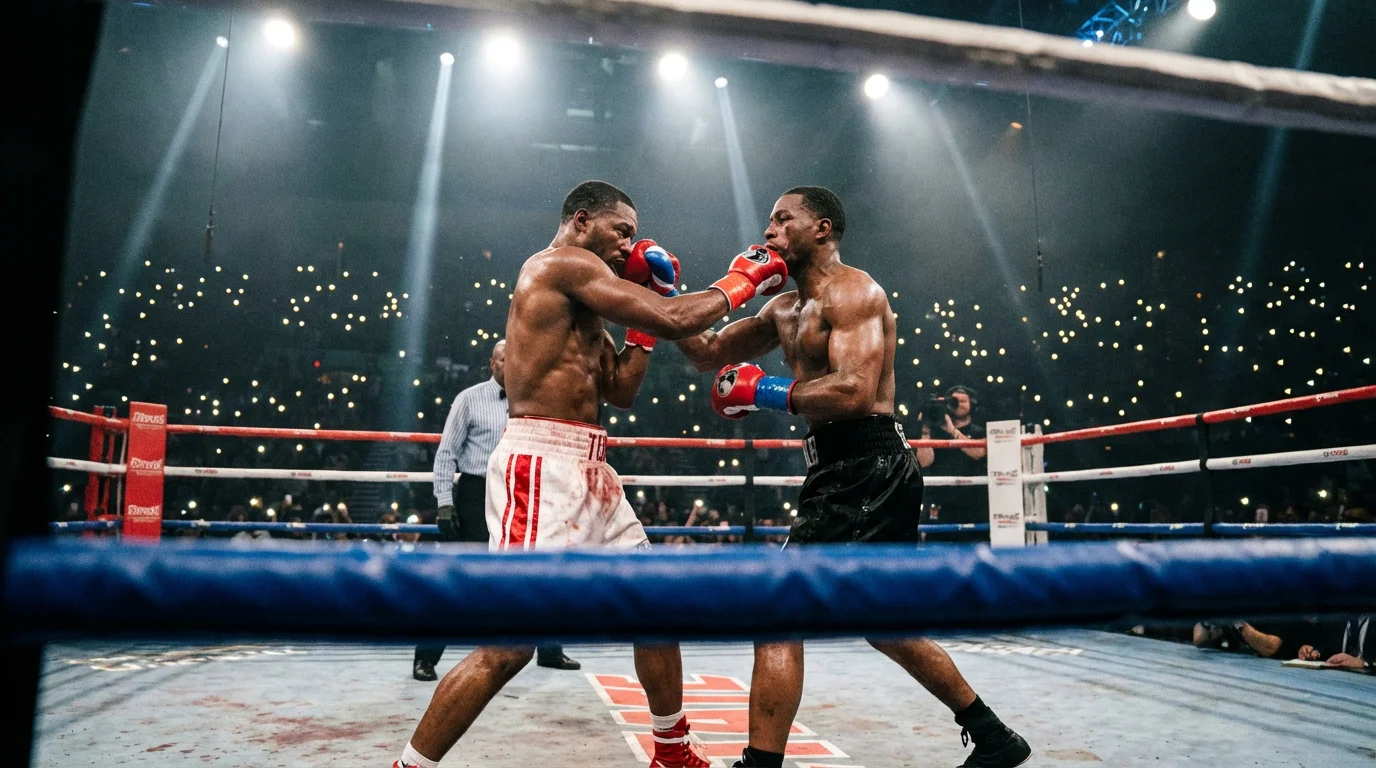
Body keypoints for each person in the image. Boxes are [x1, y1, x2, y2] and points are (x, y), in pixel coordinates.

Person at [393, 179, 788, 768]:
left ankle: (673, 752)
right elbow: (677, 318)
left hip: (590, 465)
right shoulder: (560, 266)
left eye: (632, 234)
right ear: (582, 221)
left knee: (653, 607)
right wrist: (743, 280)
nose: (630, 244)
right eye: (621, 230)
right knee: (508, 647)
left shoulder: (587, 303)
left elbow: (622, 389)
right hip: (541, 464)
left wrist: (639, 324)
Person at [677, 186, 1031, 768]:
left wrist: (764, 390)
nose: (768, 232)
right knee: (884, 622)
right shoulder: (783, 309)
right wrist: (681, 295)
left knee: (779, 609)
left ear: (821, 230)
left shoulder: (855, 292)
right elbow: (706, 351)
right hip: (841, 468)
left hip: (868, 463)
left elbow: (855, 391)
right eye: (767, 222)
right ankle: (994, 736)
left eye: (781, 220)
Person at [412, 339, 581, 683]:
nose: (510, 364)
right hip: (475, 492)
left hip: (521, 490)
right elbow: (446, 453)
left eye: (516, 357)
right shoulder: (469, 399)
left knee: (537, 571)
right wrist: (444, 502)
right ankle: (425, 657)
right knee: (458, 577)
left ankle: (548, 649)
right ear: (492, 363)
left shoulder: (535, 398)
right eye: (504, 358)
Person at [915, 385, 987, 531]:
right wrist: (926, 429)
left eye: (963, 401)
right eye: (954, 401)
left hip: (971, 501)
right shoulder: (934, 431)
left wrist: (953, 431)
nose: (958, 404)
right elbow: (924, 462)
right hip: (940, 501)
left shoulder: (980, 431)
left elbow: (978, 452)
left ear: (971, 404)